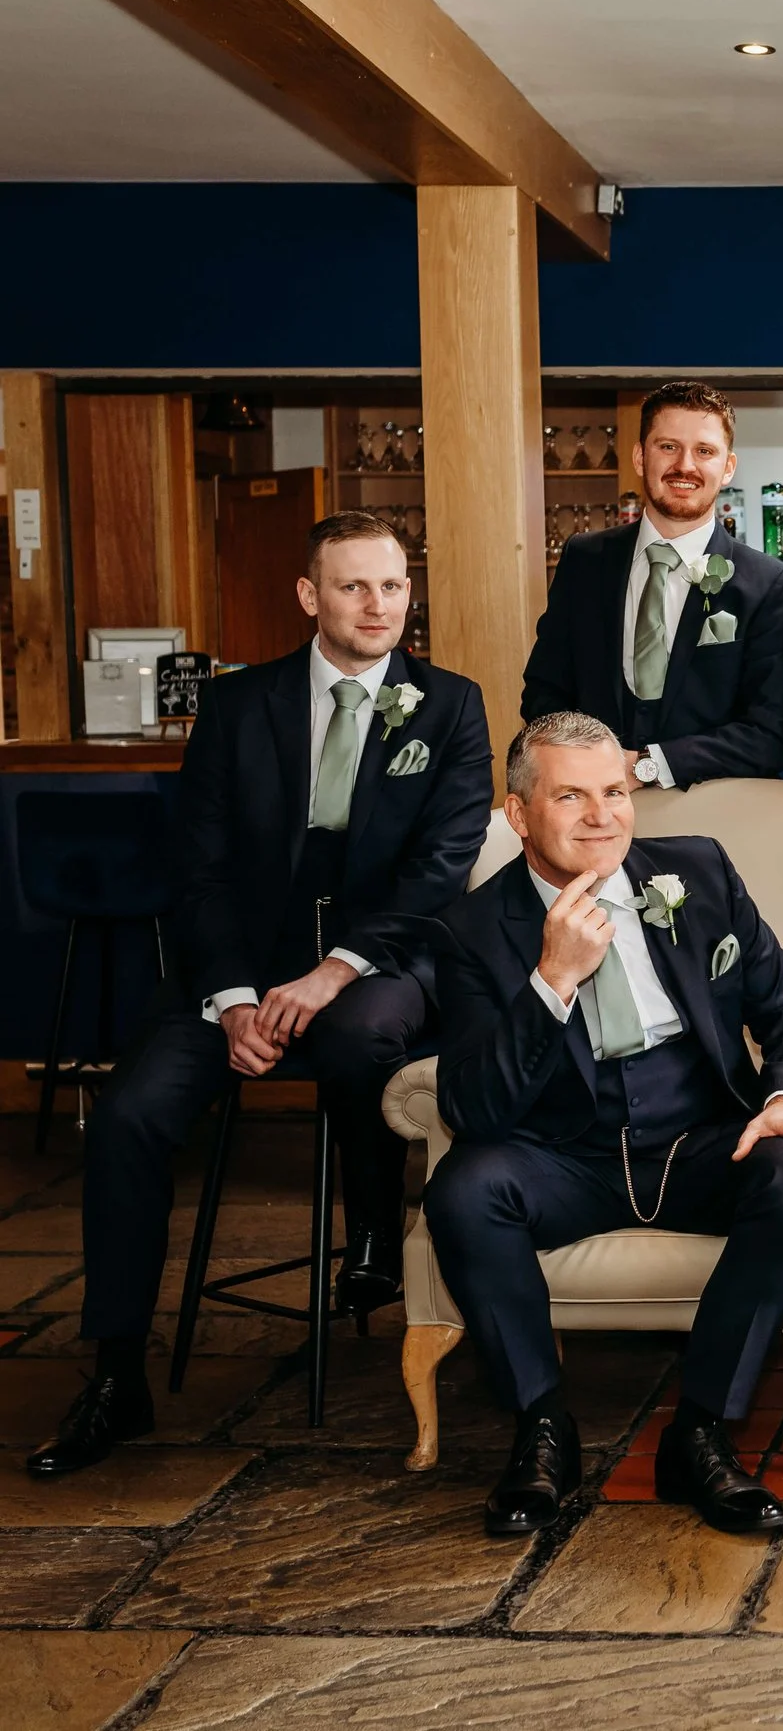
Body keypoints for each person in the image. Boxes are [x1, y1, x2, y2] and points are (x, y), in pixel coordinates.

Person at [29, 511, 491, 1478]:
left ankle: (368, 1236)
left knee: (363, 1038)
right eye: (356, 586)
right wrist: (237, 997)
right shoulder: (241, 708)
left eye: (394, 586)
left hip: (379, 965)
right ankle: (116, 1372)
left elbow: (442, 867)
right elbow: (196, 868)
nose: (378, 606)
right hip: (236, 972)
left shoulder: (449, 706)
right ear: (309, 595)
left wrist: (337, 970)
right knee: (128, 1116)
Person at [423, 713, 783, 1537]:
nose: (601, 815)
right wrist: (552, 980)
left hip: (701, 1141)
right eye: (570, 795)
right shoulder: (472, 930)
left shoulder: (699, 872)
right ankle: (543, 1429)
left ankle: (701, 1433)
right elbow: (470, 1107)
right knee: (463, 1190)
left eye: (614, 791)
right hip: (563, 1157)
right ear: (519, 814)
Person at [521, 379, 783, 788]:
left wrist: (649, 765)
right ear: (639, 456)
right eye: (668, 447)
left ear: (728, 467)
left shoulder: (770, 584)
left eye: (704, 451)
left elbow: (772, 734)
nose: (685, 465)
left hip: (712, 814)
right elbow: (544, 694)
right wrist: (590, 766)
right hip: (592, 805)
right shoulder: (584, 559)